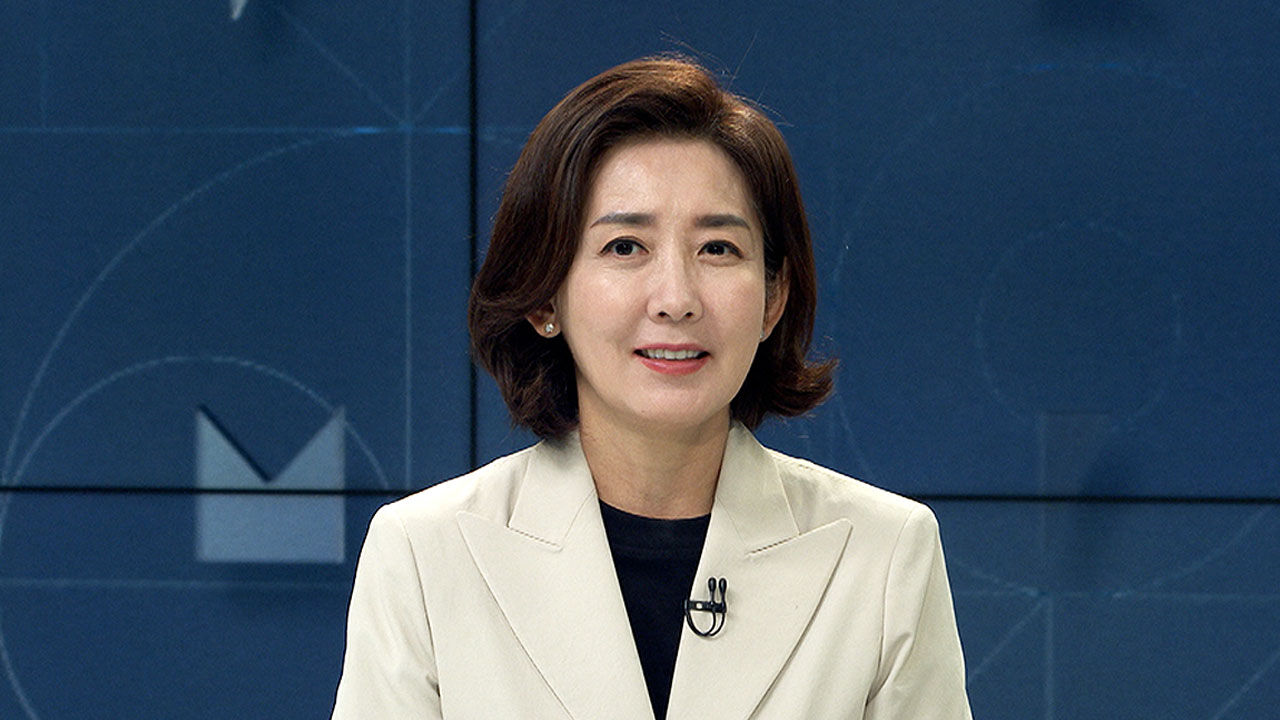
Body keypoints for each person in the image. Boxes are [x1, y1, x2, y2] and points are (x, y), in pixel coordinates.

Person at [332, 56, 972, 720]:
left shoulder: (884, 556)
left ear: (774, 297)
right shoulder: (425, 557)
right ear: (545, 296)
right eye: (625, 247)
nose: (675, 298)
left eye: (717, 248)